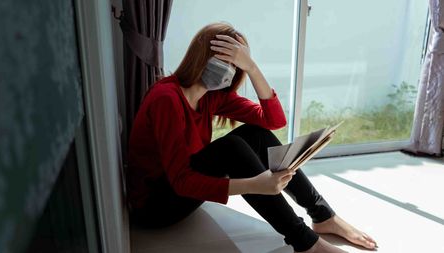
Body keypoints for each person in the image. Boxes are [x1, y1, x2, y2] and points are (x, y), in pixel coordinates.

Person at [127, 22, 377, 253]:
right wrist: (255, 184)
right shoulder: (166, 99)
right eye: (227, 61)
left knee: (256, 134)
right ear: (203, 57)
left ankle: (323, 215)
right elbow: (181, 181)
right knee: (231, 148)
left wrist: (252, 67)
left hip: (178, 189)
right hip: (154, 206)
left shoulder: (212, 96)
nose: (230, 71)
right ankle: (306, 242)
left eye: (237, 65)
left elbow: (274, 121)